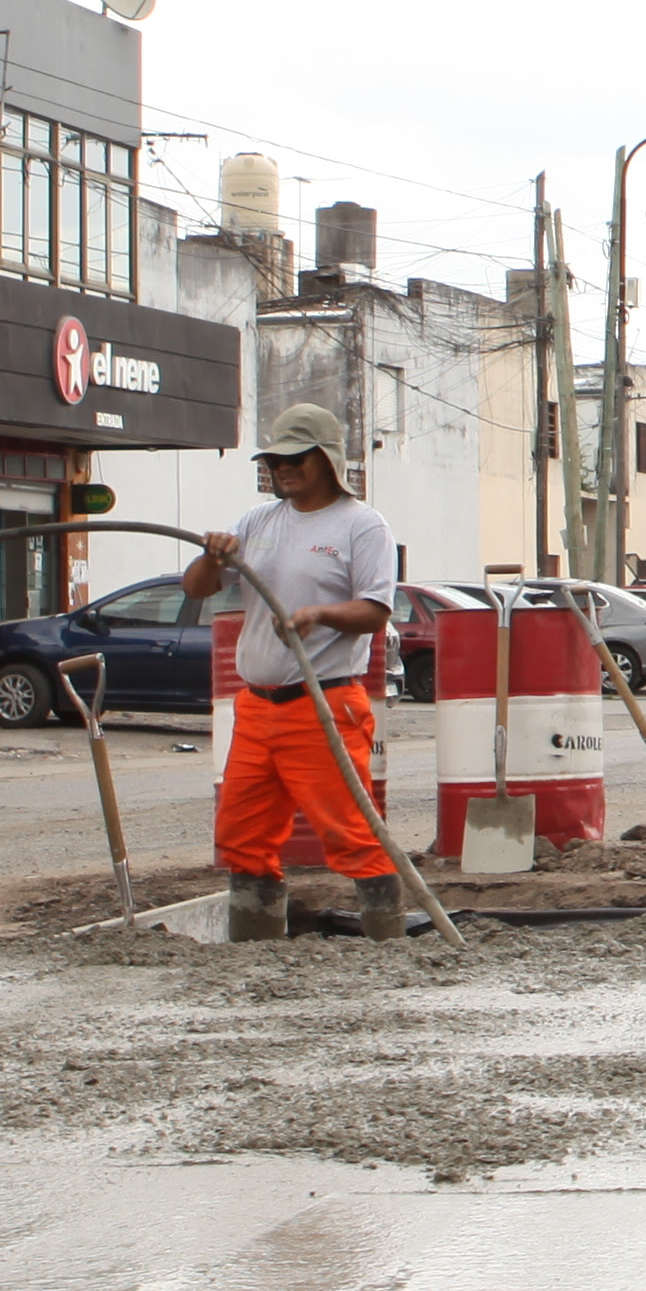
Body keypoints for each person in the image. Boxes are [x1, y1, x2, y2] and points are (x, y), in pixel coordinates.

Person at [185, 401, 416, 939]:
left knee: (352, 834)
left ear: (327, 460)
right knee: (241, 835)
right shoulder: (256, 522)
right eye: (275, 459)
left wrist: (320, 614)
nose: (283, 468)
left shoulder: (362, 526)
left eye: (297, 458)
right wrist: (213, 556)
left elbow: (376, 611)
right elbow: (197, 588)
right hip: (258, 706)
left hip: (324, 706)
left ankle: (389, 950)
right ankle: (255, 949)